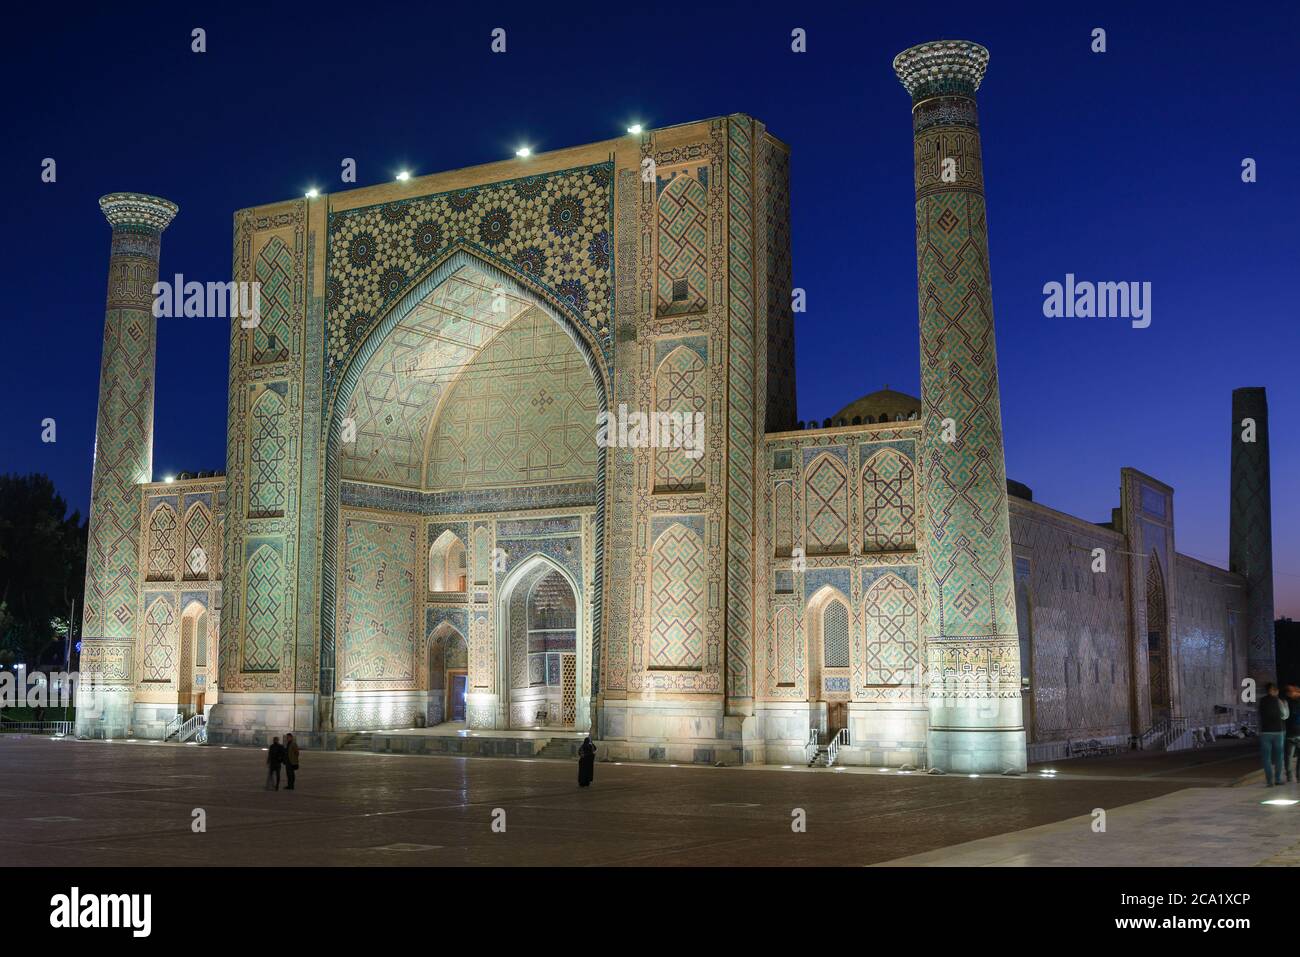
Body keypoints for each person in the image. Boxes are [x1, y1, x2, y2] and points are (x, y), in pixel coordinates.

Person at [1258, 683, 1289, 787]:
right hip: (1278, 732)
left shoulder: (1261, 701)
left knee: (1266, 758)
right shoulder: (1278, 701)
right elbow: (1285, 715)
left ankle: (1269, 781)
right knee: (1279, 757)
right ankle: (1278, 779)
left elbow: (1259, 716)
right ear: (1274, 690)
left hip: (1265, 732)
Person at [1284, 686, 1300, 784]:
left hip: (1293, 732)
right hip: (1291, 732)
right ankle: (1291, 775)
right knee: (1289, 756)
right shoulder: (1288, 702)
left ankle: (1295, 776)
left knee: (1289, 756)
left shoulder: (1287, 702)